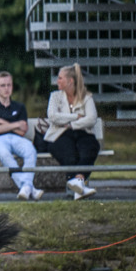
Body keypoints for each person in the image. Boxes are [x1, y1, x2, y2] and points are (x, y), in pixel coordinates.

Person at [0, 71, 42, 201]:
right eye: (2, 85)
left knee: (31, 150)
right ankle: (28, 187)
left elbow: (23, 130)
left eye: (9, 85)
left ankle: (26, 187)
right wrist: (15, 124)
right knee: (4, 153)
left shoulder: (19, 106)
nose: (6, 88)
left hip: (17, 139)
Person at [45, 63, 99, 200]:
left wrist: (72, 125)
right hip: (59, 135)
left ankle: (78, 182)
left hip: (81, 133)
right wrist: (75, 117)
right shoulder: (55, 96)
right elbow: (52, 117)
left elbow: (92, 119)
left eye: (60, 78)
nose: (57, 81)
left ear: (70, 81)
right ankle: (79, 186)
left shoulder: (86, 97)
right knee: (69, 152)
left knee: (91, 147)